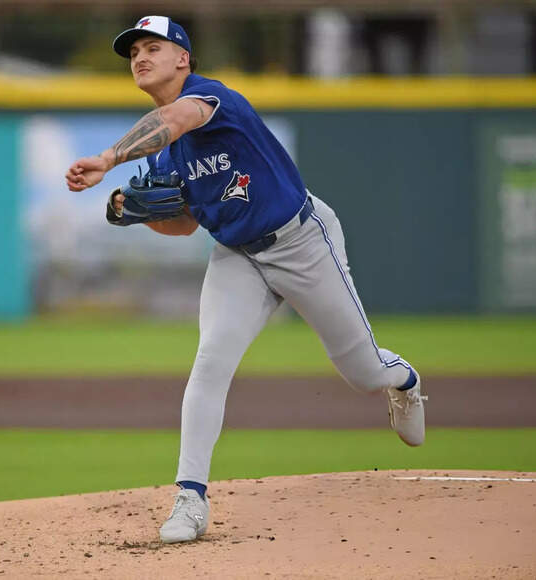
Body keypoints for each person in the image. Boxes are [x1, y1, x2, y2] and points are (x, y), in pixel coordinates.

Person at [64, 15, 427, 544]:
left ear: (183, 58)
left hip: (302, 241)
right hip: (238, 256)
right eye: (133, 51)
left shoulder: (210, 97)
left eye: (152, 47)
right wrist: (137, 213)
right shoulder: (167, 152)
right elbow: (184, 225)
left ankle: (405, 382)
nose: (140, 57)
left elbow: (179, 117)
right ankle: (190, 498)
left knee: (362, 372)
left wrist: (107, 158)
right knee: (211, 361)